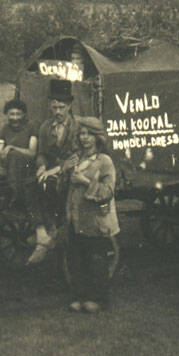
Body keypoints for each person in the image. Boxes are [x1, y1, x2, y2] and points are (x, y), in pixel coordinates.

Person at [64, 117, 120, 313]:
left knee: (96, 259)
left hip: (96, 219)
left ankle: (97, 298)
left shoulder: (104, 161)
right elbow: (67, 187)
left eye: (89, 134)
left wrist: (85, 181)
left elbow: (107, 191)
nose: (84, 138)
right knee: (76, 259)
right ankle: (79, 296)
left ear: (98, 137)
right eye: (81, 134)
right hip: (77, 217)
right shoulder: (76, 158)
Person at [28, 79, 80, 265]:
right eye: (54, 107)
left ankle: (54, 230)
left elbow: (75, 158)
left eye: (61, 107)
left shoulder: (77, 128)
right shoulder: (45, 127)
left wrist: (55, 170)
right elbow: (41, 153)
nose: (57, 112)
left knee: (50, 185)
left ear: (69, 106)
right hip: (51, 170)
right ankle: (43, 230)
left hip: (69, 171)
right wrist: (41, 166)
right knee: (31, 183)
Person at [0, 98, 37, 211]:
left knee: (13, 155)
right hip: (9, 166)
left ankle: (15, 197)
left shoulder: (31, 128)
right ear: (7, 115)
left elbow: (32, 153)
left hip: (26, 167)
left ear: (24, 115)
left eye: (18, 114)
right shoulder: (5, 128)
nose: (15, 118)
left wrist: (12, 147)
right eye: (11, 114)